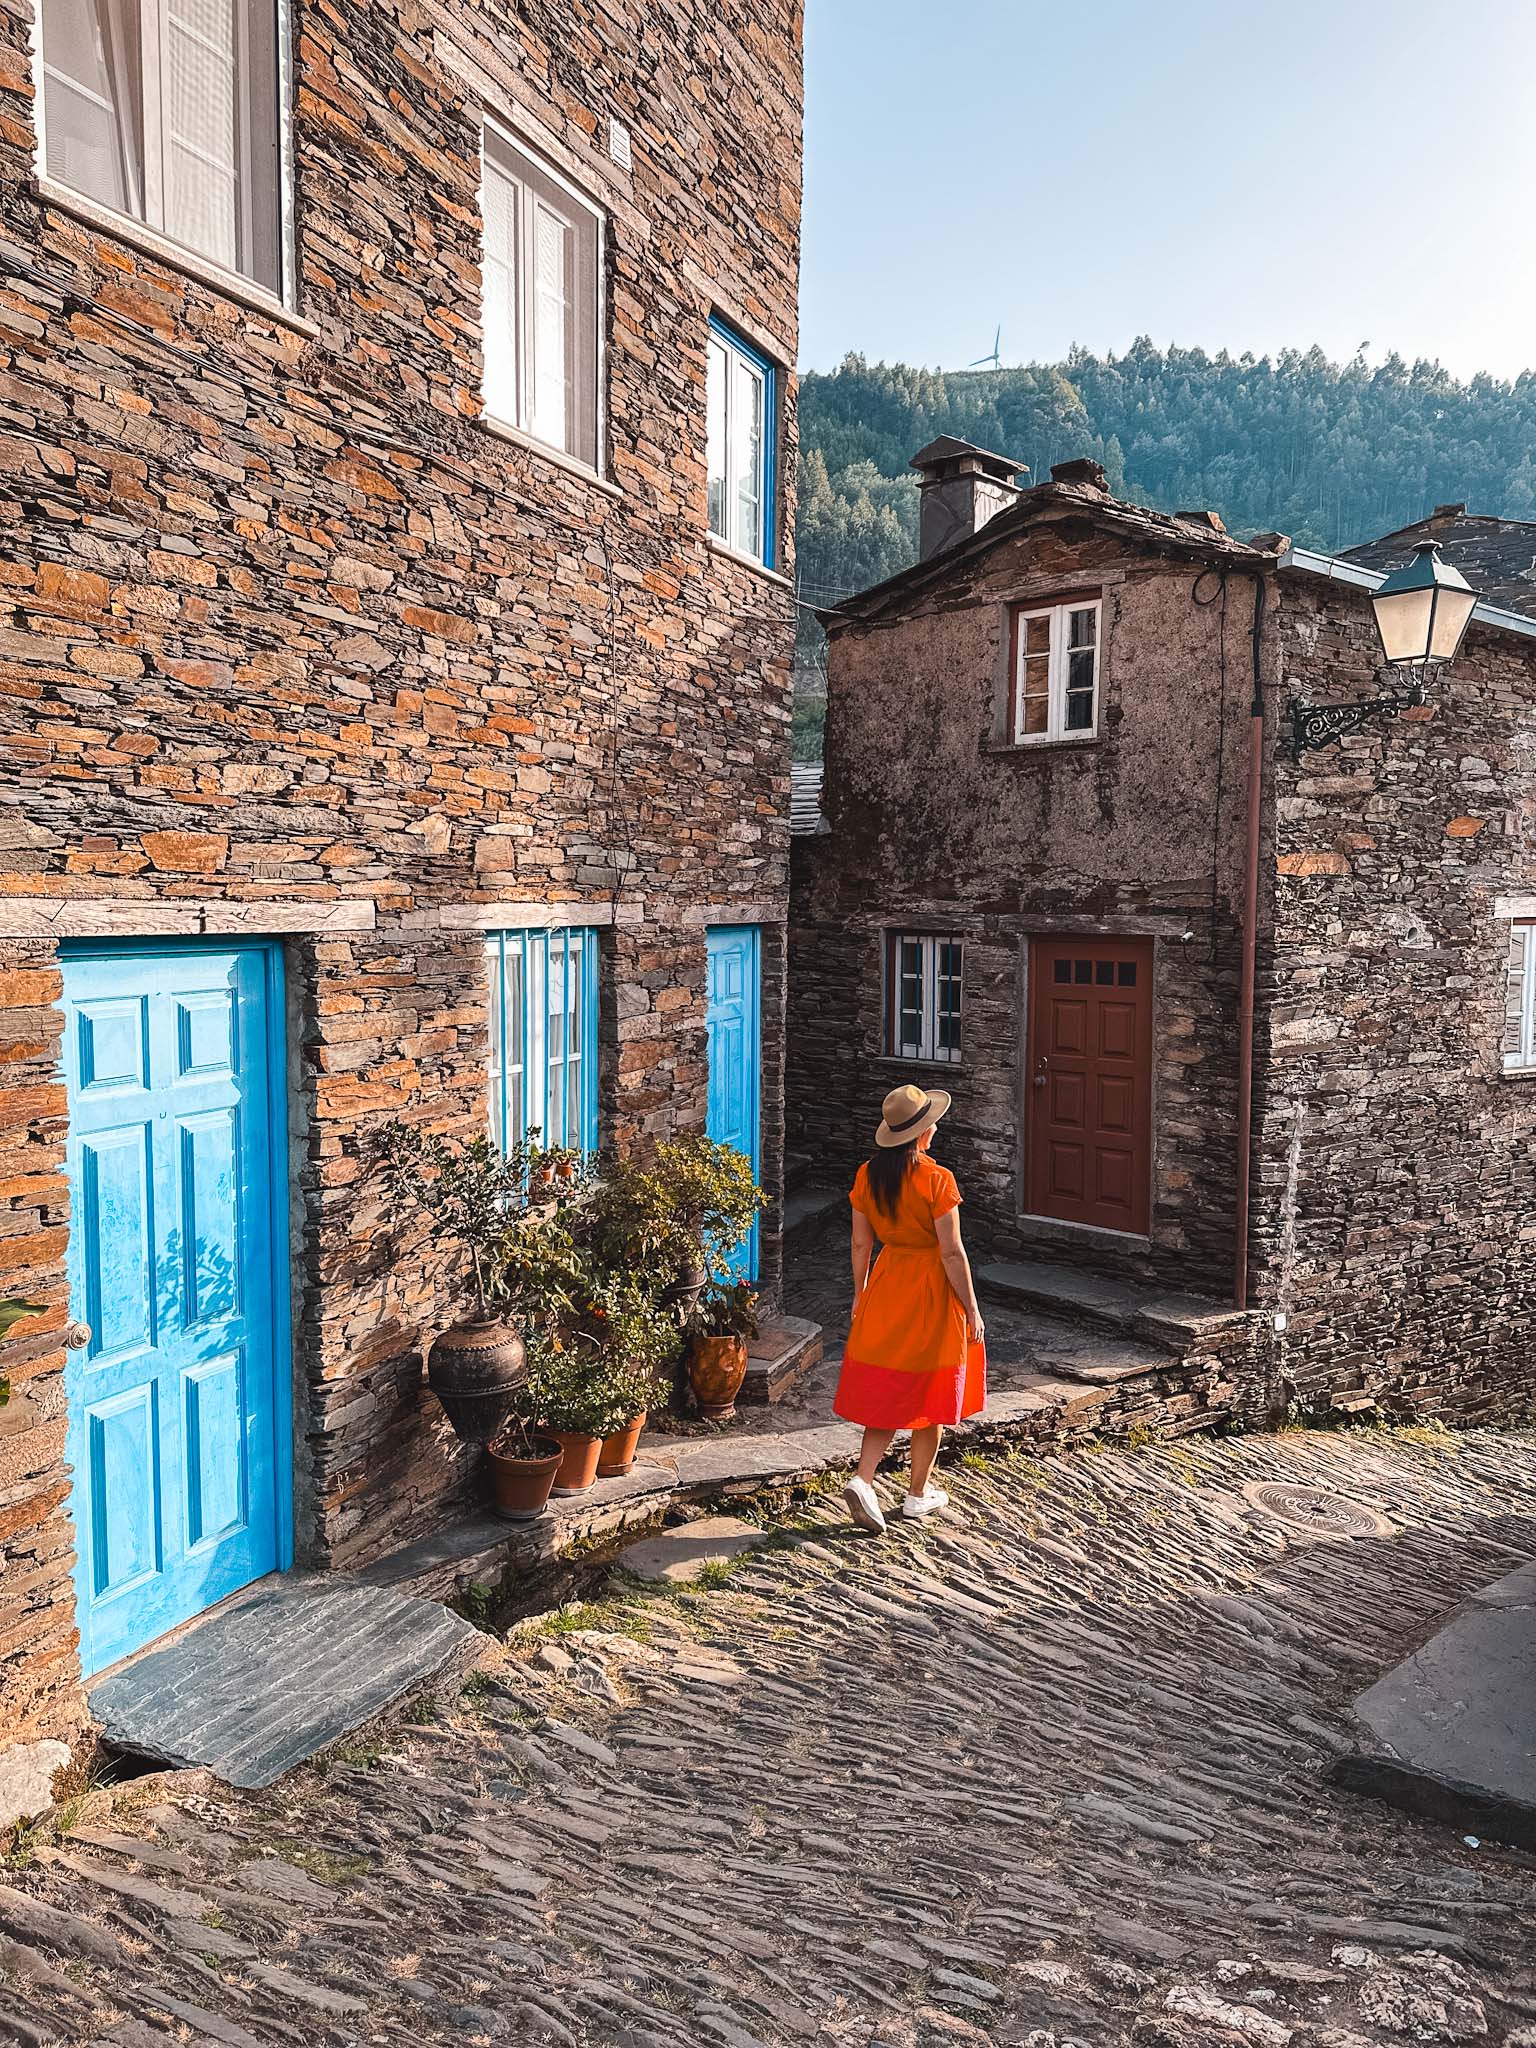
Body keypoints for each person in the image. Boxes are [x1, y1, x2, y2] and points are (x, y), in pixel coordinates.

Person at [834, 1083, 986, 1533]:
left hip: (886, 1280)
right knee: (932, 1392)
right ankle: (918, 1493)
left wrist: (860, 1293)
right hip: (931, 1291)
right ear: (919, 1134)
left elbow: (862, 1242)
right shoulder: (937, 1180)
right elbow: (952, 1253)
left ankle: (864, 1479)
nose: (935, 1127)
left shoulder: (867, 1175)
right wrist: (972, 1309)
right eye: (930, 1123)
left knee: (888, 1389)